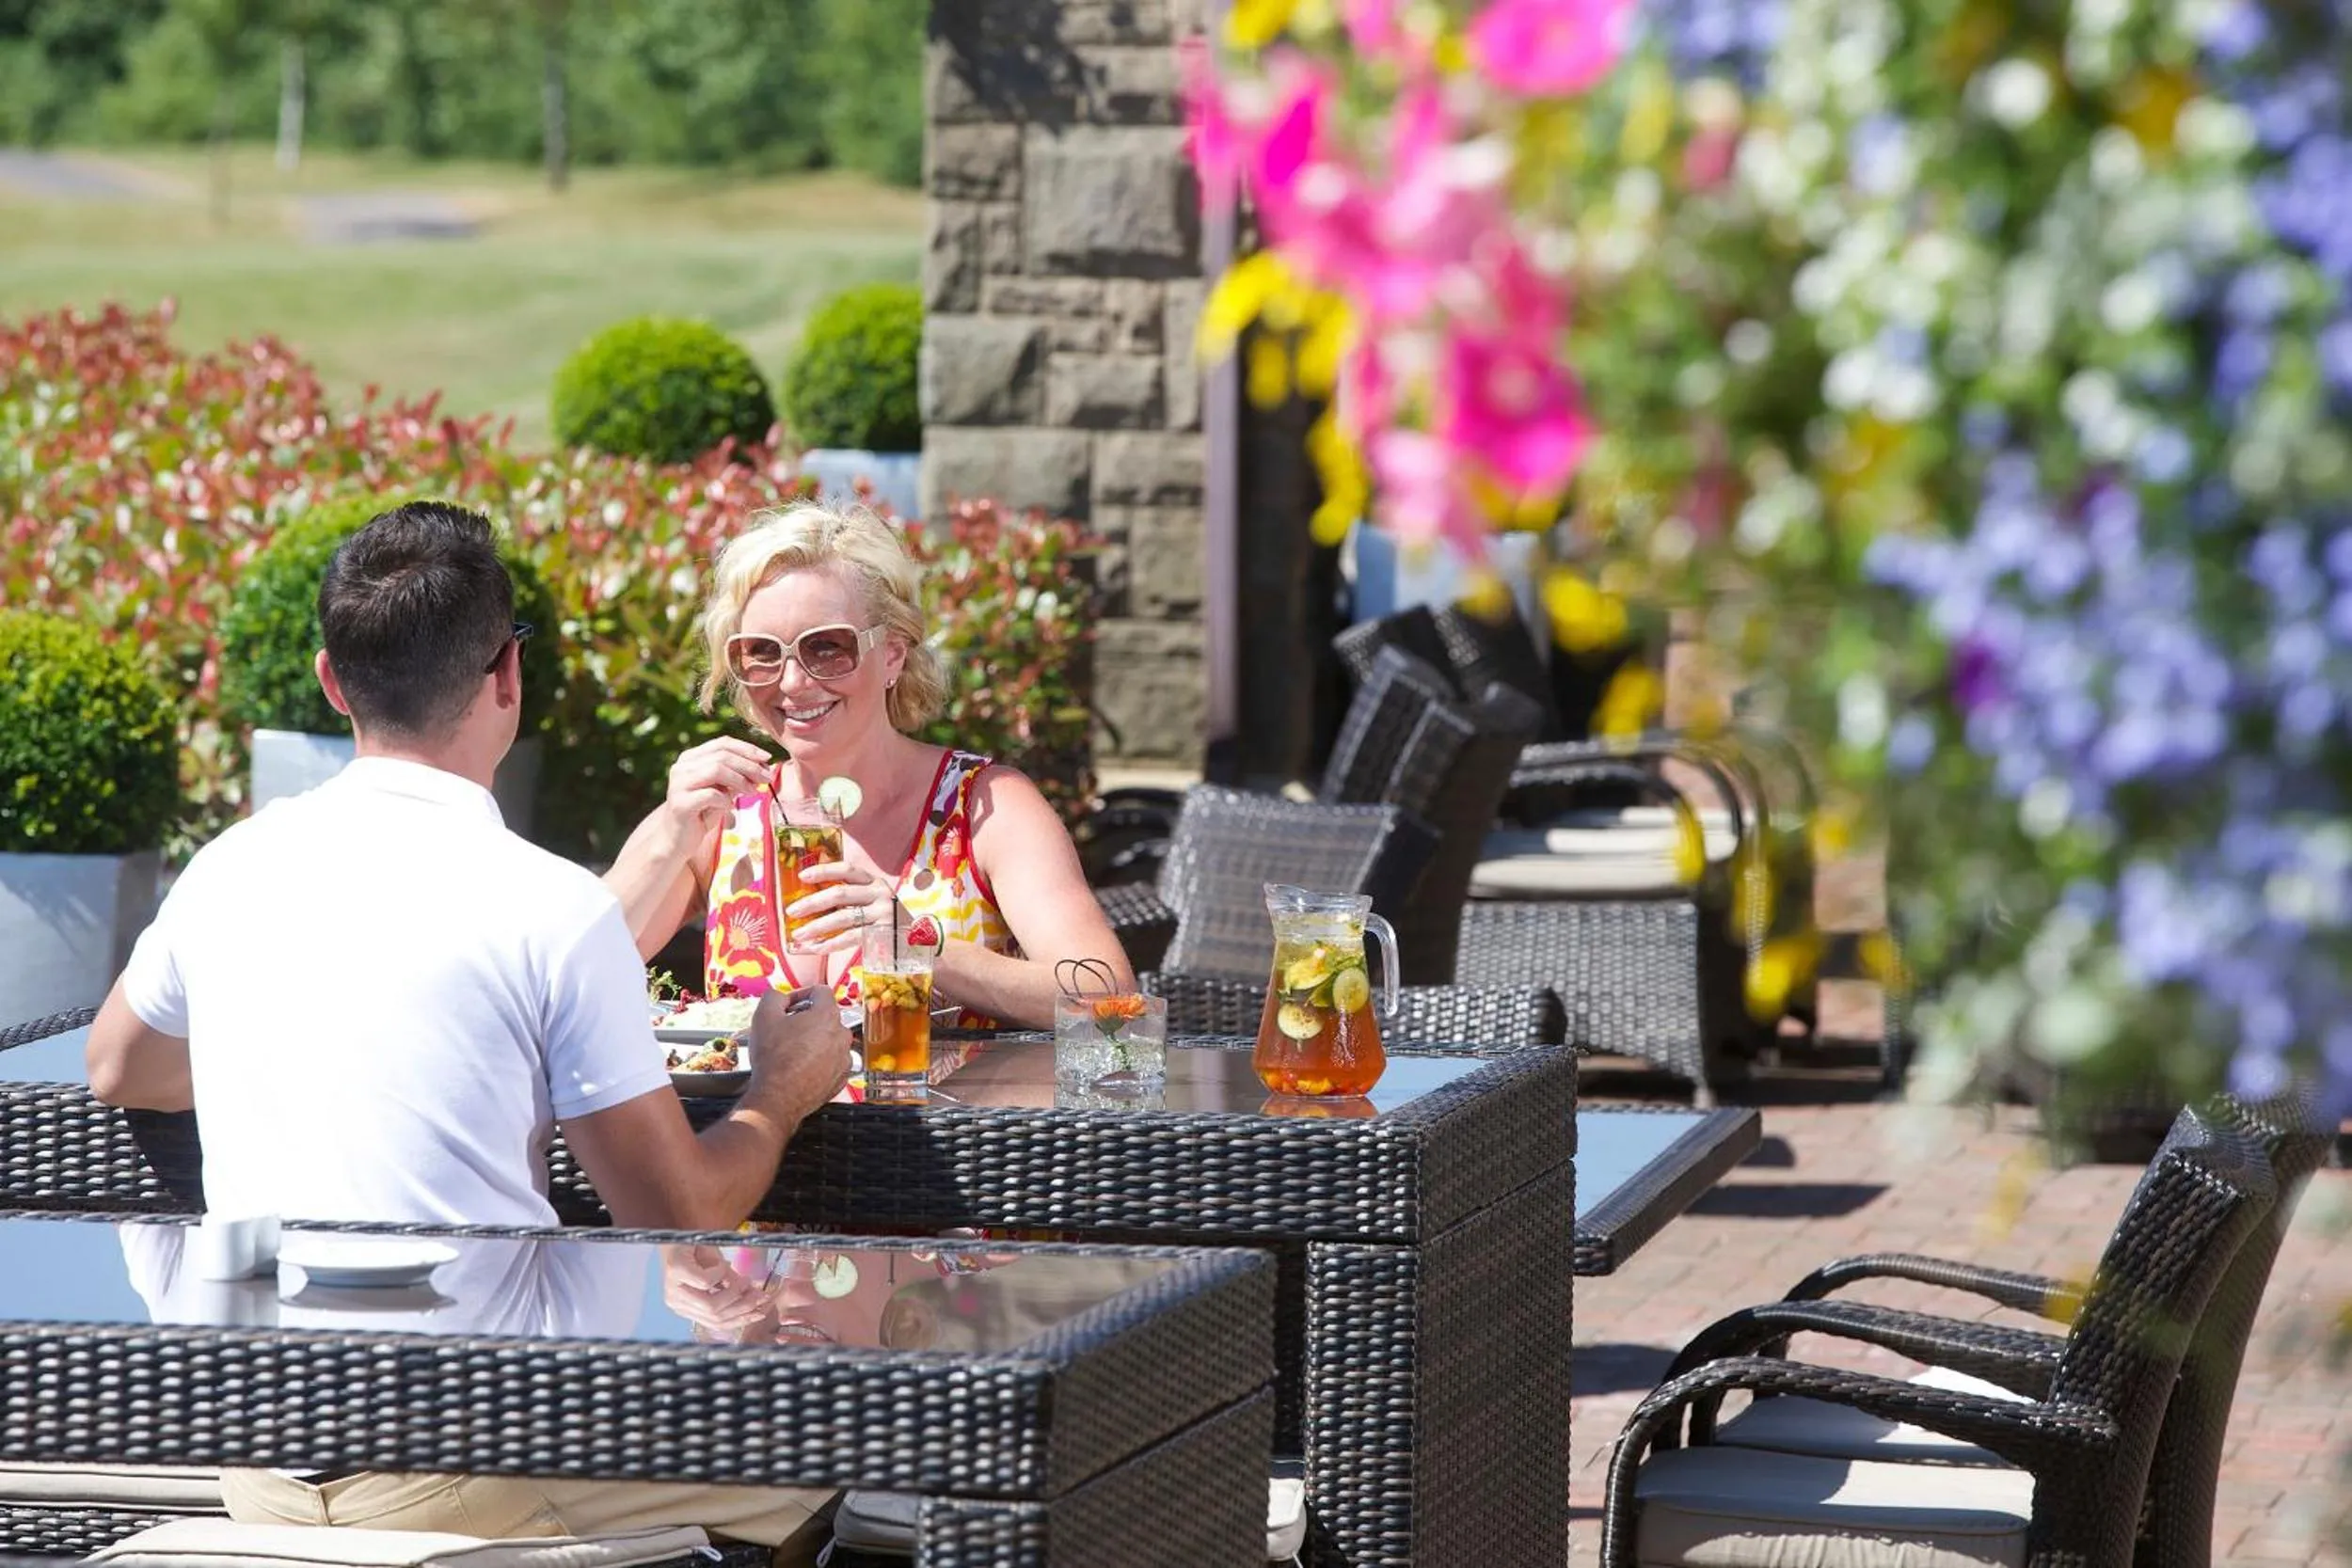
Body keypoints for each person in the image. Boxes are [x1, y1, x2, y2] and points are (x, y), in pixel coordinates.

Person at [85, 499, 852, 1562]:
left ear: (332, 681)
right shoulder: (548, 907)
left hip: (256, 1456)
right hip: (468, 1459)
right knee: (841, 1449)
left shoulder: (230, 868)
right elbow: (675, 1207)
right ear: (508, 677)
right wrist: (782, 1087)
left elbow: (118, 1063)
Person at [600, 502, 1132, 1029]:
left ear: (893, 654)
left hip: (947, 1093)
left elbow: (1109, 1001)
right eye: (761, 651)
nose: (792, 682)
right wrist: (670, 839)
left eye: (827, 647)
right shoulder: (723, 815)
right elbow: (571, 971)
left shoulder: (983, 806)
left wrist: (921, 944)